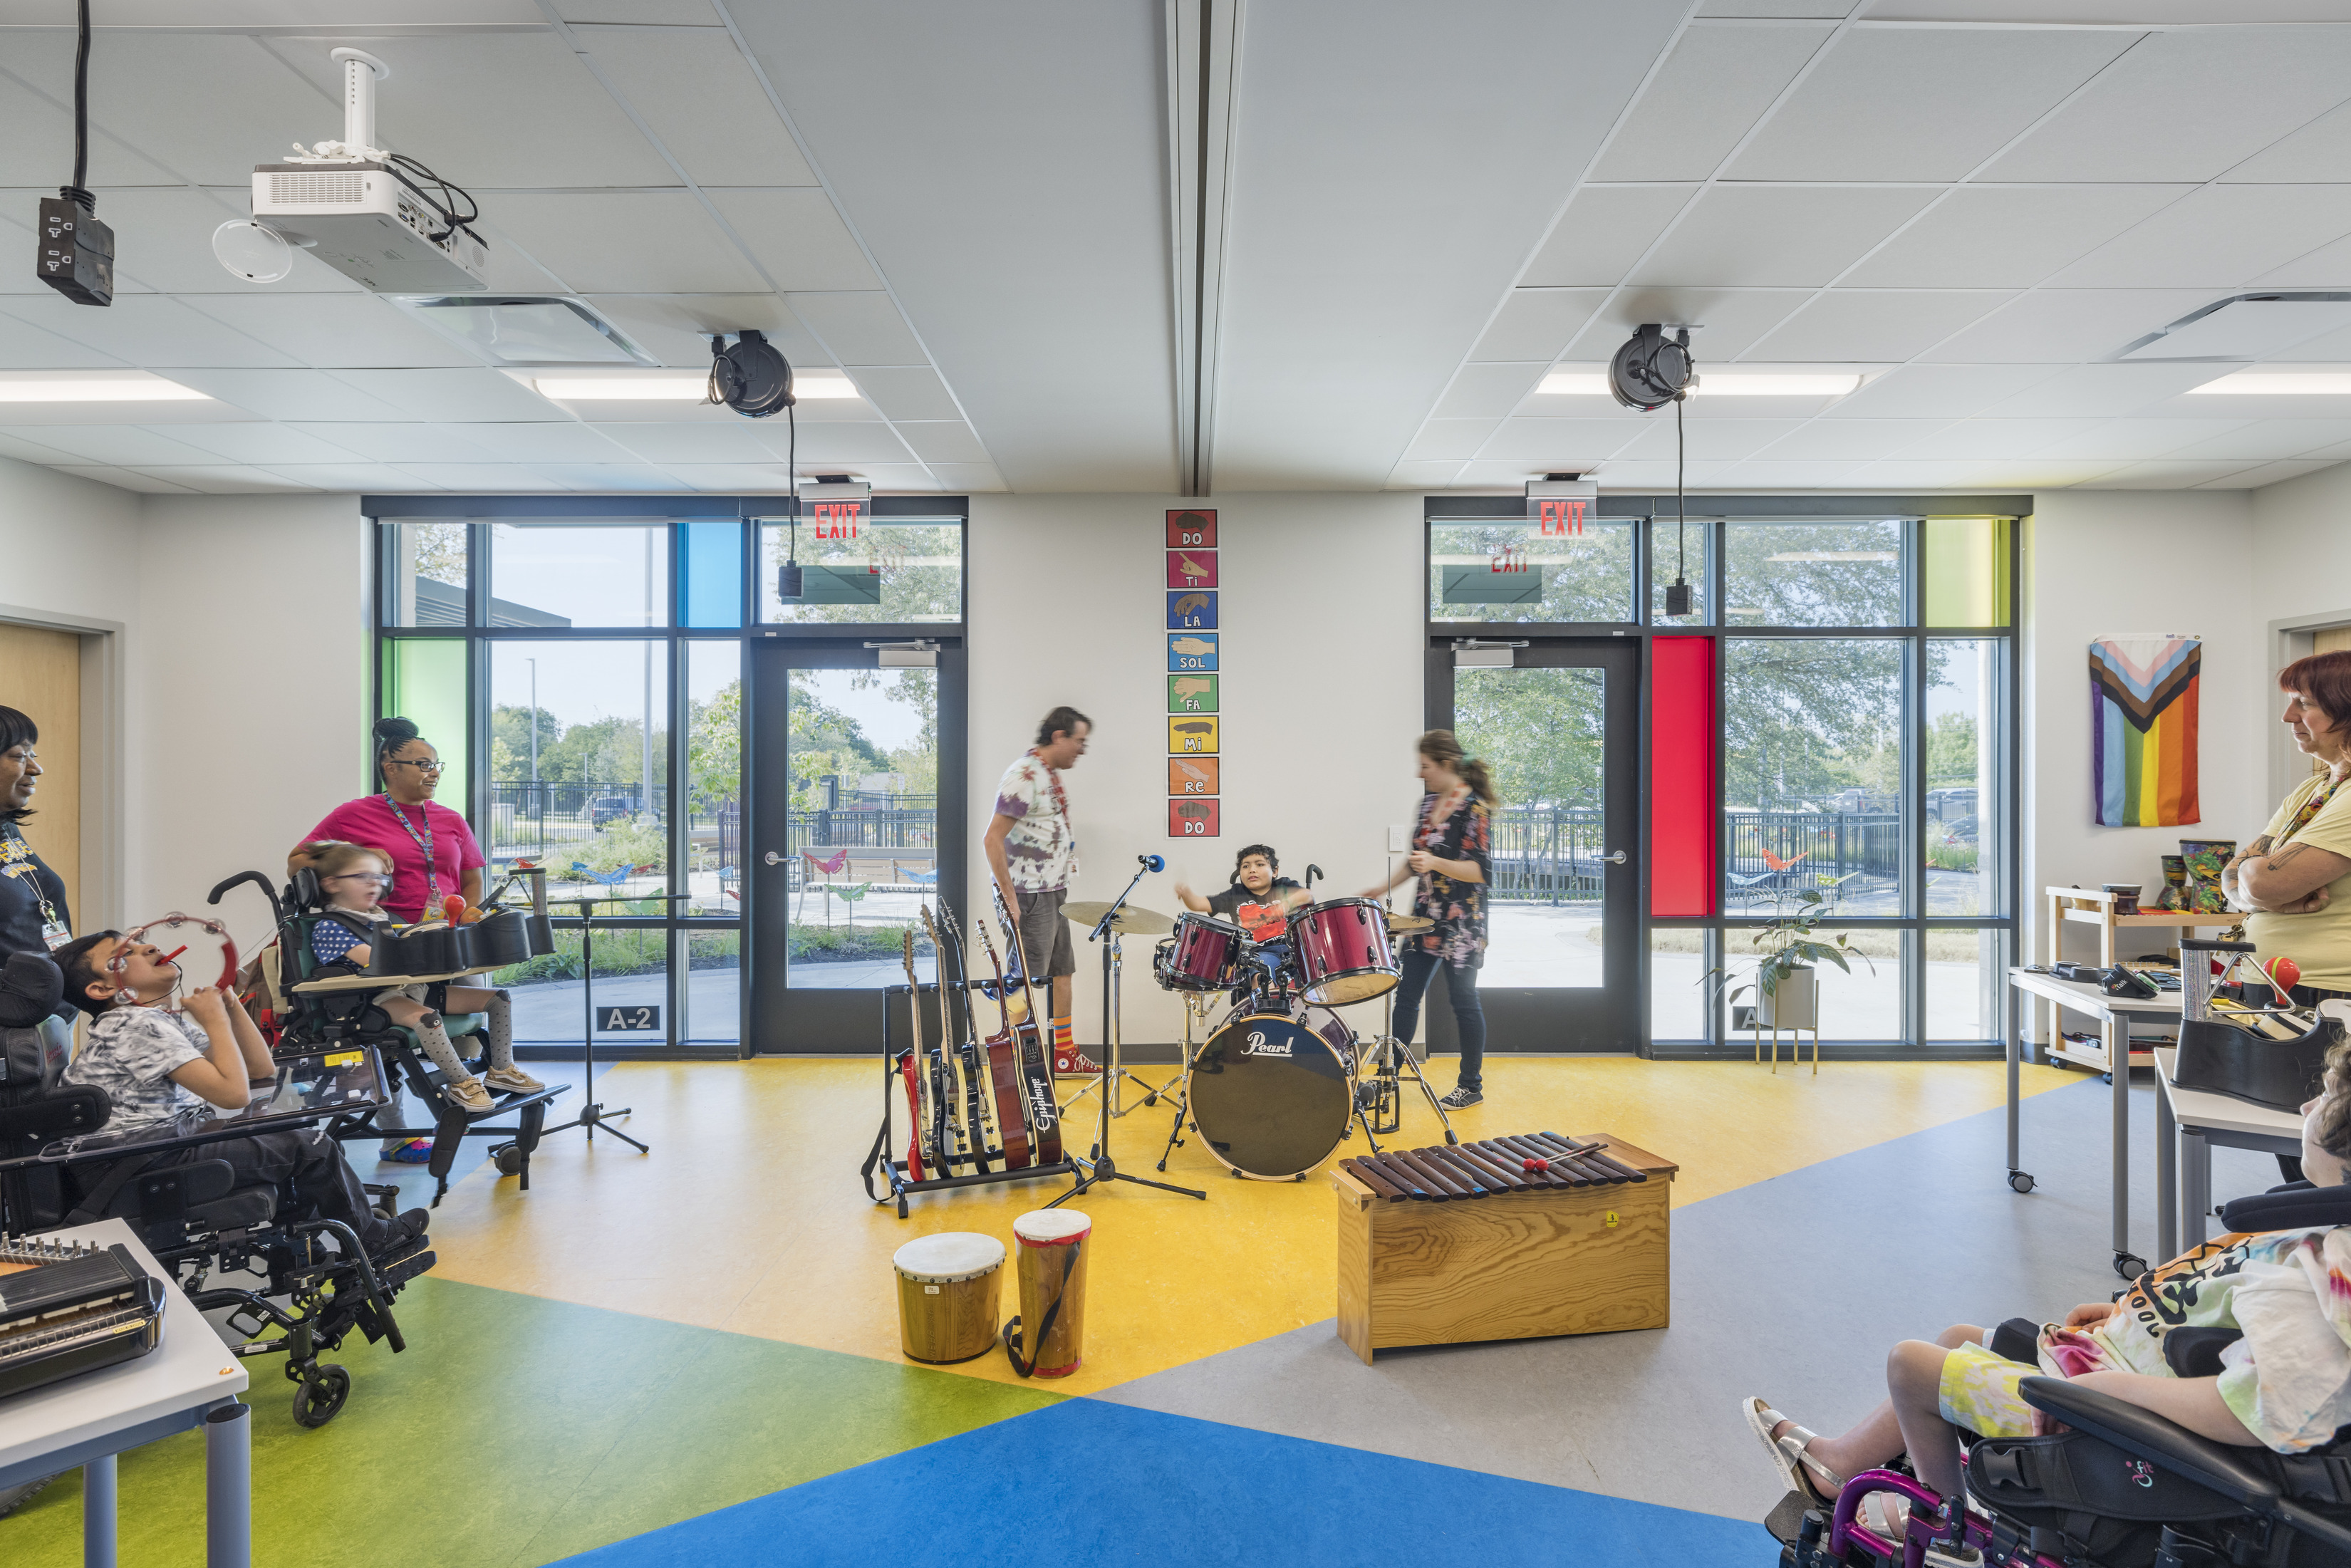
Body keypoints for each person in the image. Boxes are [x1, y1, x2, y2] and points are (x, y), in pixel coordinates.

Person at [54, 929, 428, 1262]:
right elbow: (233, 1095)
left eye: (140, 942)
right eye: (127, 954)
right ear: (103, 990)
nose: (149, 946)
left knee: (296, 1131)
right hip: (136, 1161)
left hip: (154, 1148)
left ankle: (317, 1240)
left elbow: (257, 1070)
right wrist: (215, 1021)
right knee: (310, 1144)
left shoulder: (155, 1021)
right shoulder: (135, 1023)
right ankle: (371, 1240)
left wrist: (232, 1008)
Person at [296, 715, 509, 1160]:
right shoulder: (356, 813)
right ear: (389, 766)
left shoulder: (450, 819)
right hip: (390, 937)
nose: (432, 771)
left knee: (469, 1036)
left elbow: (469, 880)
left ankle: (476, 1096)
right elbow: (299, 860)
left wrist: (468, 914)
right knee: (400, 1038)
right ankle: (399, 1136)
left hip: (447, 941)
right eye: (421, 763)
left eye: (436, 764)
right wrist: (359, 856)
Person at [301, 840, 543, 1113]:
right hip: (370, 1001)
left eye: (379, 877)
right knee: (428, 1019)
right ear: (332, 884)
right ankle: (462, 1083)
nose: (374, 884)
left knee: (498, 999)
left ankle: (502, 1070)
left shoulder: (381, 918)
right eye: (362, 877)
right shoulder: (330, 927)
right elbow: (379, 962)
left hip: (412, 989)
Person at [1363, 730, 1493, 1109]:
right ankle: (1390, 1081)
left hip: (1463, 921)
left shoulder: (1475, 810)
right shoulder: (1426, 805)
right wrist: (1379, 888)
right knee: (1406, 997)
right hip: (1424, 919)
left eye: (1425, 766)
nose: (1421, 773)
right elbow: (1415, 860)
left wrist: (1435, 862)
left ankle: (1471, 1086)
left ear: (1446, 764)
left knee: (1464, 1001)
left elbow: (1480, 871)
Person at [984, 705, 1095, 1075]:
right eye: (1079, 741)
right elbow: (992, 840)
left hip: (1052, 892)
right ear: (1059, 737)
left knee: (1062, 971)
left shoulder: (1046, 774)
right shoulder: (1025, 774)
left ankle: (1062, 1053)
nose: (1082, 749)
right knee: (1023, 985)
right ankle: (1014, 1063)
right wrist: (1011, 900)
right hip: (1029, 896)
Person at [0, 706, 73, 1023]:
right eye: (19, 756)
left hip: (51, 1023)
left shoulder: (6, 827)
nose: (36, 768)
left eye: (33, 754)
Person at [1177, 844, 1309, 943]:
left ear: (1275, 871)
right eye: (1246, 866)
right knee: (1260, 975)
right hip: (1254, 956)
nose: (1252, 870)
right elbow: (1198, 904)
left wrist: (1286, 903)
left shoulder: (1284, 886)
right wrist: (1186, 894)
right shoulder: (1235, 894)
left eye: (1260, 865)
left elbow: (1306, 895)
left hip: (1291, 949)